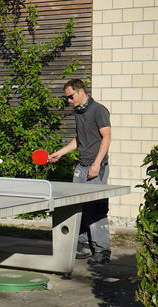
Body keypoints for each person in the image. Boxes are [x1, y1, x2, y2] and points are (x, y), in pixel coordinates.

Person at [49, 79, 112, 266]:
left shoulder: (99, 110)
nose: (68, 100)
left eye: (70, 97)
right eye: (67, 98)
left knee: (96, 207)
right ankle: (84, 245)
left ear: (81, 92)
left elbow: (106, 137)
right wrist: (60, 153)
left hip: (95, 166)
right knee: (79, 206)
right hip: (81, 166)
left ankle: (102, 250)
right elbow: (80, 139)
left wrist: (97, 164)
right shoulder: (79, 112)